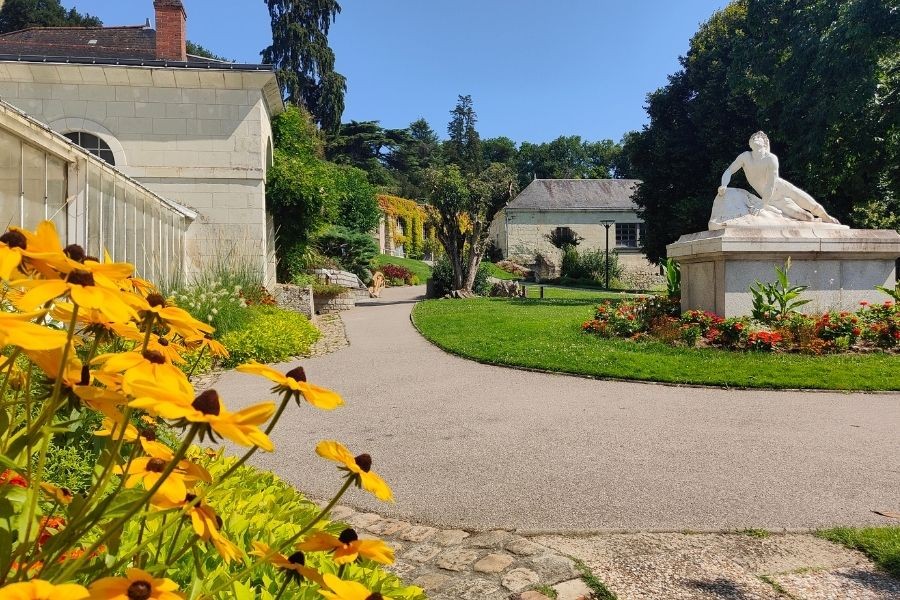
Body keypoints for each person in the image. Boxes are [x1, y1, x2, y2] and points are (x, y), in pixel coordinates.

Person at [717, 131, 840, 224]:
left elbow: (771, 183)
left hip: (781, 188)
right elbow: (729, 171)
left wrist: (761, 205)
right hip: (771, 199)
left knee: (811, 204)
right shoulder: (745, 157)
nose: (754, 139)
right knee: (806, 217)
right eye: (752, 138)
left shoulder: (771, 159)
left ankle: (826, 217)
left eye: (758, 137)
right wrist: (724, 185)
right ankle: (816, 221)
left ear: (765, 143)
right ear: (750, 143)